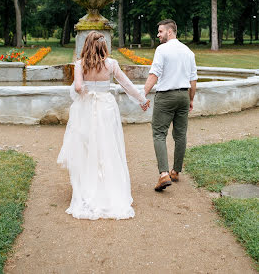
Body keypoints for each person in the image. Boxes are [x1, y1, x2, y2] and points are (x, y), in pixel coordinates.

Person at [57, 31, 150, 220]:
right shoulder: (111, 64)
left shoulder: (80, 64)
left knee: (86, 147)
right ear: (104, 45)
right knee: (108, 145)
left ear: (86, 45)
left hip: (85, 109)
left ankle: (87, 185)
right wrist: (142, 99)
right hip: (106, 108)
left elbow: (77, 88)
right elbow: (127, 85)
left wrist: (85, 90)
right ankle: (108, 185)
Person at [144, 19, 198, 191]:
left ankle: (163, 175)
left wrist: (141, 94)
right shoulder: (188, 51)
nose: (158, 34)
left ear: (169, 32)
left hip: (166, 97)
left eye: (160, 31)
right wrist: (190, 99)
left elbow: (154, 75)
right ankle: (175, 172)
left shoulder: (162, 49)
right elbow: (193, 79)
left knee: (159, 133)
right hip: (183, 95)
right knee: (180, 135)